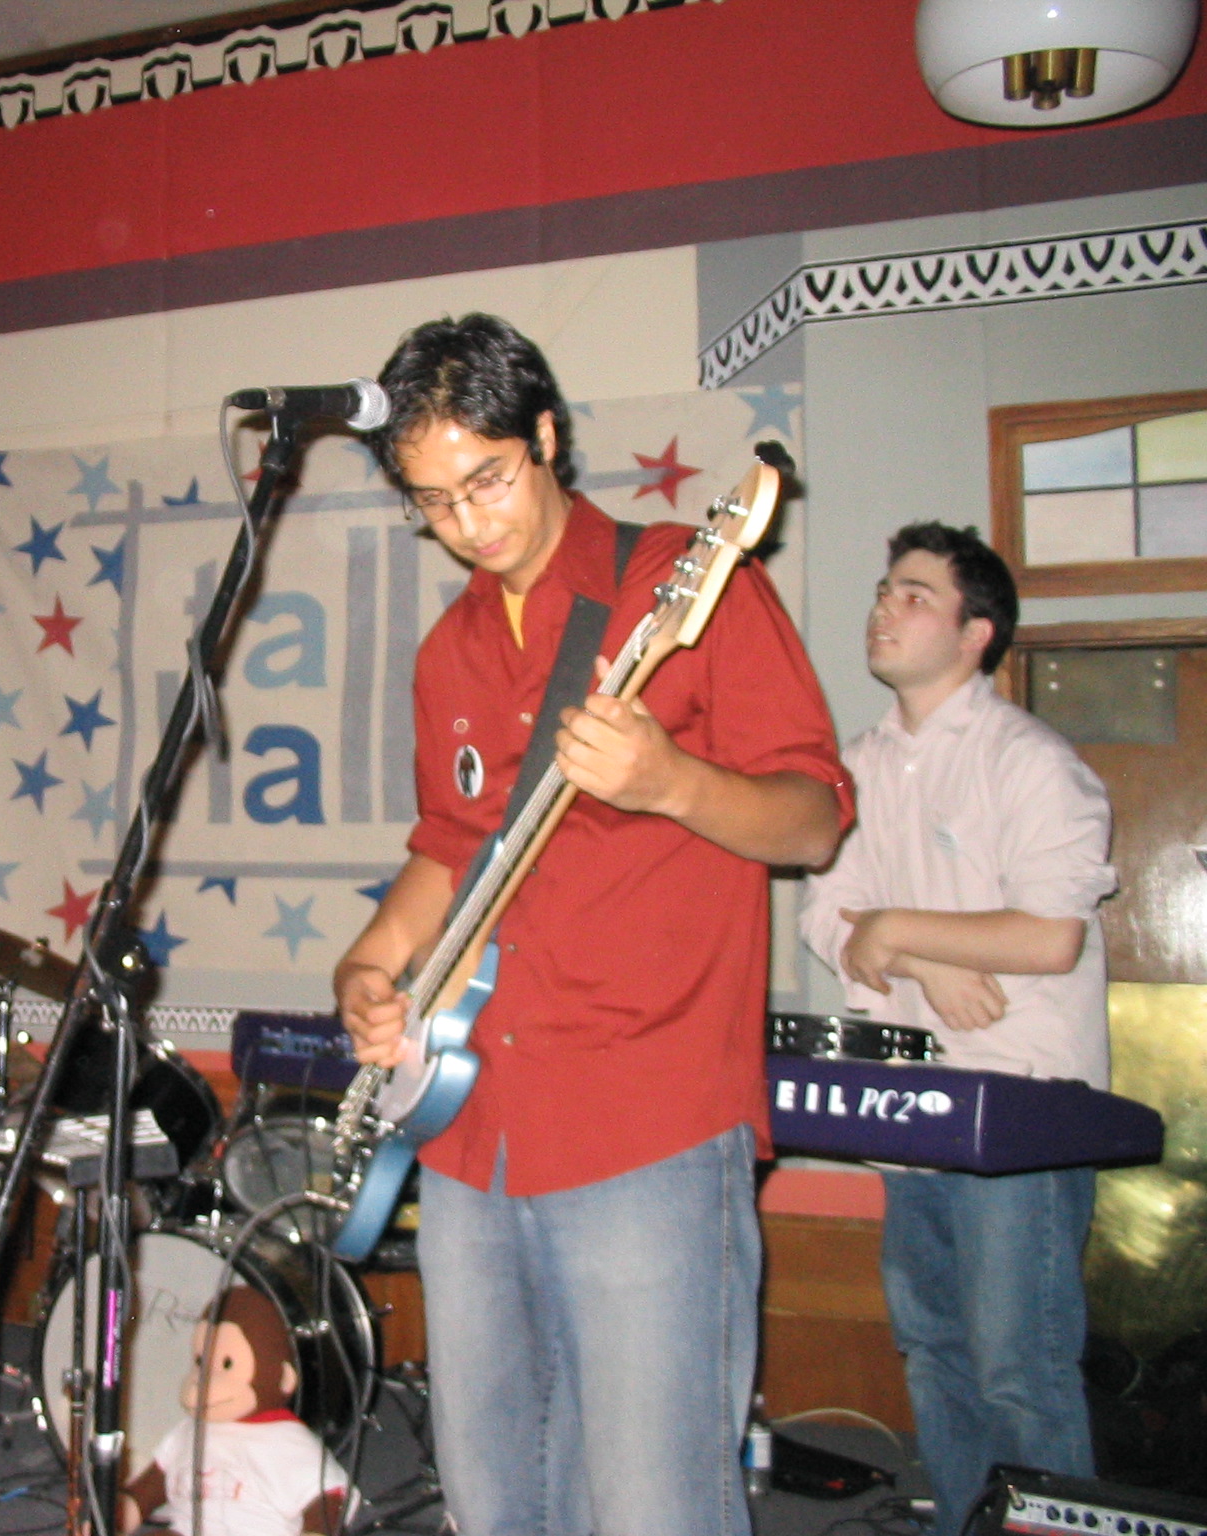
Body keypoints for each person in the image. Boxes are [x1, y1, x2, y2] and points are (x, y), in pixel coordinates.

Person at [334, 313, 849, 1536]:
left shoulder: (683, 581)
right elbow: (448, 845)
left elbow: (813, 821)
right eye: (432, 503)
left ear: (546, 436)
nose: (467, 524)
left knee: (650, 1502)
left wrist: (670, 781)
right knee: (493, 1493)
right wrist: (369, 961)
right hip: (469, 1129)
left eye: (486, 480)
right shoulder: (449, 650)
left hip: (645, 1114)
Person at [801, 522, 1114, 1532]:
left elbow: (1049, 937)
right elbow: (826, 918)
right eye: (881, 589)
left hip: (1021, 1108)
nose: (882, 609)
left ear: (976, 632)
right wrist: (921, 955)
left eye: (914, 594)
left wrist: (893, 929)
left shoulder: (1029, 761)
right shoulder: (857, 764)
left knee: (1019, 1366)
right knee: (934, 1352)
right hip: (913, 1110)